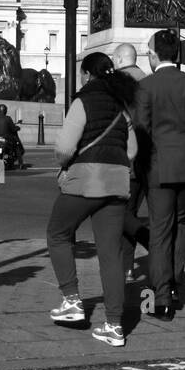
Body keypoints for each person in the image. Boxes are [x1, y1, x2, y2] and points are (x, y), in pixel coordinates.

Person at [47, 53, 138, 348]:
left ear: (87, 75)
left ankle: (72, 300)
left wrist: (64, 164)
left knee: (58, 233)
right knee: (111, 253)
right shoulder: (122, 105)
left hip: (86, 179)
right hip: (117, 180)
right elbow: (132, 150)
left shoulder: (83, 101)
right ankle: (114, 326)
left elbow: (65, 147)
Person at [134, 29, 185, 321]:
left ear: (154, 55)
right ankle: (175, 284)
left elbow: (141, 131)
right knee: (180, 225)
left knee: (160, 231)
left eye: (148, 53)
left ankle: (162, 297)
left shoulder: (146, 86)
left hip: (159, 168)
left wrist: (140, 168)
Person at [112, 44, 149, 280]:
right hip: (149, 159)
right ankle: (127, 266)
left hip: (123, 158)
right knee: (131, 211)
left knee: (120, 214)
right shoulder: (149, 82)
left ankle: (125, 265)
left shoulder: (114, 84)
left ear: (118, 59)